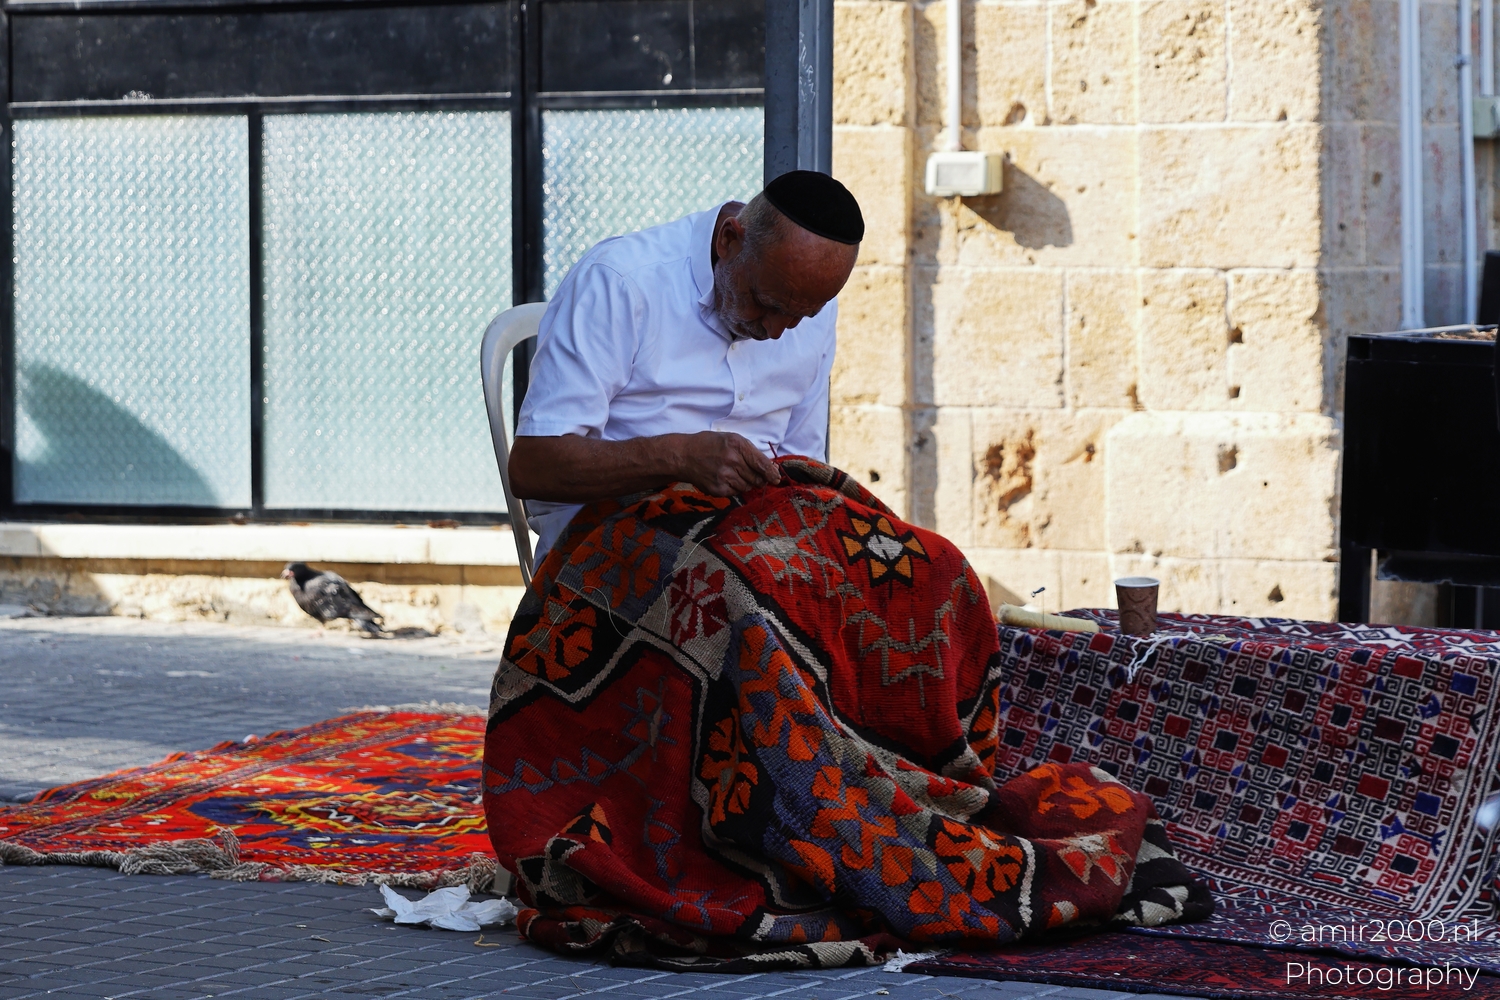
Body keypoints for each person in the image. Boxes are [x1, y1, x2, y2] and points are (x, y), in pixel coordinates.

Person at [508, 170, 863, 564]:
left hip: (755, 541)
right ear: (729, 240)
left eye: (802, 315)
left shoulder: (811, 304)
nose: (777, 331)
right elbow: (532, 466)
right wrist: (677, 457)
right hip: (613, 545)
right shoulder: (621, 281)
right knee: (743, 605)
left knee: (928, 573)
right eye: (766, 302)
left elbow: (802, 464)